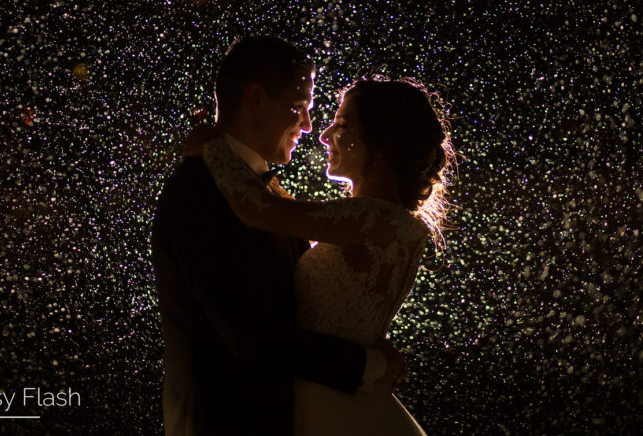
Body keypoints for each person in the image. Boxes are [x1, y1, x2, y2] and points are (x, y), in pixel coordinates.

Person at [151, 36, 403, 436]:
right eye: (300, 107)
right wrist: (369, 362)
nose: (307, 125)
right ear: (255, 98)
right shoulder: (202, 192)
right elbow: (255, 340)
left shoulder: (258, 194)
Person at [187, 76, 454, 435]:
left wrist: (216, 147)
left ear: (381, 145)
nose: (325, 135)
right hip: (350, 391)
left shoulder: (368, 217)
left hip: (326, 398)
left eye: (342, 126)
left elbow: (259, 210)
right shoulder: (400, 225)